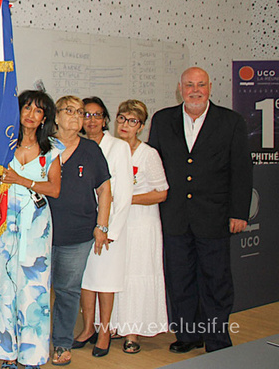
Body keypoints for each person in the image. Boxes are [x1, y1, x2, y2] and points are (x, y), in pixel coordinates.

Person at [148, 67, 252, 353]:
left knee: (216, 282)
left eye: (201, 85)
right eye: (190, 85)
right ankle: (188, 336)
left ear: (209, 88)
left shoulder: (231, 121)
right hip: (174, 217)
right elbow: (152, 165)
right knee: (180, 280)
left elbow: (242, 170)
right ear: (180, 88)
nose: (195, 90)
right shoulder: (162, 120)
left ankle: (217, 340)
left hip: (215, 217)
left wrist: (239, 212)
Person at [0, 90, 62, 369]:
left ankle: (32, 357)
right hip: (6, 222)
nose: (30, 114)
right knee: (4, 289)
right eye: (26, 108)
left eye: (38, 110)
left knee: (34, 290)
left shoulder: (52, 149)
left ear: (44, 118)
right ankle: (7, 355)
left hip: (37, 226)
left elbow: (54, 189)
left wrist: (22, 180)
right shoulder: (3, 145)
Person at [45, 95, 111, 366]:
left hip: (78, 234)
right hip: (40, 233)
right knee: (36, 290)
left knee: (68, 291)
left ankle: (61, 343)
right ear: (56, 116)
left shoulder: (91, 150)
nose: (76, 116)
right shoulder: (42, 145)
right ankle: (32, 342)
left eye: (80, 112)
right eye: (69, 111)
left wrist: (101, 226)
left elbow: (104, 190)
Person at [73, 97, 133, 357]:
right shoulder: (77, 145)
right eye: (86, 115)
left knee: (106, 281)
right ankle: (88, 328)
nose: (92, 120)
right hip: (82, 224)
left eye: (97, 115)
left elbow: (125, 193)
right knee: (86, 279)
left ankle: (105, 331)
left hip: (108, 227)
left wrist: (109, 230)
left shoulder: (118, 147)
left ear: (106, 119)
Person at [109, 100, 169, 354]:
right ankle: (114, 325)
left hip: (142, 224)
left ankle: (132, 332)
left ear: (141, 126)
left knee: (137, 274)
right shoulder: (110, 149)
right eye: (122, 118)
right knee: (116, 274)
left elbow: (161, 193)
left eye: (133, 121)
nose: (125, 125)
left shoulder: (148, 154)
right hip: (116, 222)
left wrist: (127, 199)